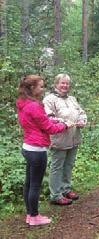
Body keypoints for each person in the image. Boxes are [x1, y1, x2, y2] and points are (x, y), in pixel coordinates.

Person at [16, 75, 71, 226]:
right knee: (34, 185)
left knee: (29, 184)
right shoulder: (35, 106)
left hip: (27, 147)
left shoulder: (23, 103)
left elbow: (40, 122)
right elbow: (49, 128)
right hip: (37, 150)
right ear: (32, 88)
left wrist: (56, 120)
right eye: (40, 86)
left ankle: (30, 215)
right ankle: (34, 216)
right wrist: (65, 125)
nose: (42, 89)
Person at [43, 73, 87, 205]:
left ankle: (66, 189)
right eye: (62, 83)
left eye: (67, 83)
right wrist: (64, 122)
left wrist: (82, 120)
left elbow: (82, 113)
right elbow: (48, 118)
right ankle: (56, 195)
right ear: (56, 84)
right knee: (57, 167)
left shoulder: (72, 99)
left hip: (74, 138)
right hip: (59, 139)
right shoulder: (49, 99)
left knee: (69, 165)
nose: (65, 86)